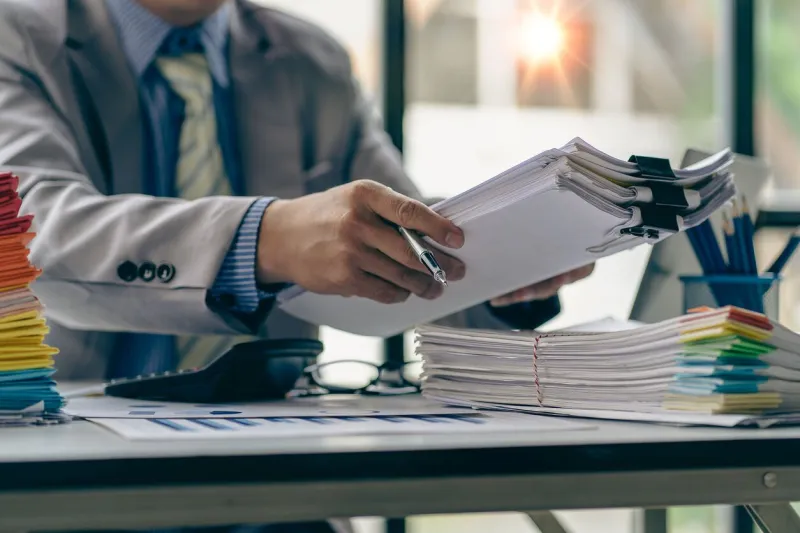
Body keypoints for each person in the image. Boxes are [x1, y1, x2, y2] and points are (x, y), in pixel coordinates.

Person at [0, 0, 592, 531]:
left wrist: (506, 275)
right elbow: (33, 239)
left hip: (272, 489)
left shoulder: (311, 59)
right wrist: (266, 240)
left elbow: (411, 246)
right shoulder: (18, 35)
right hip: (64, 478)